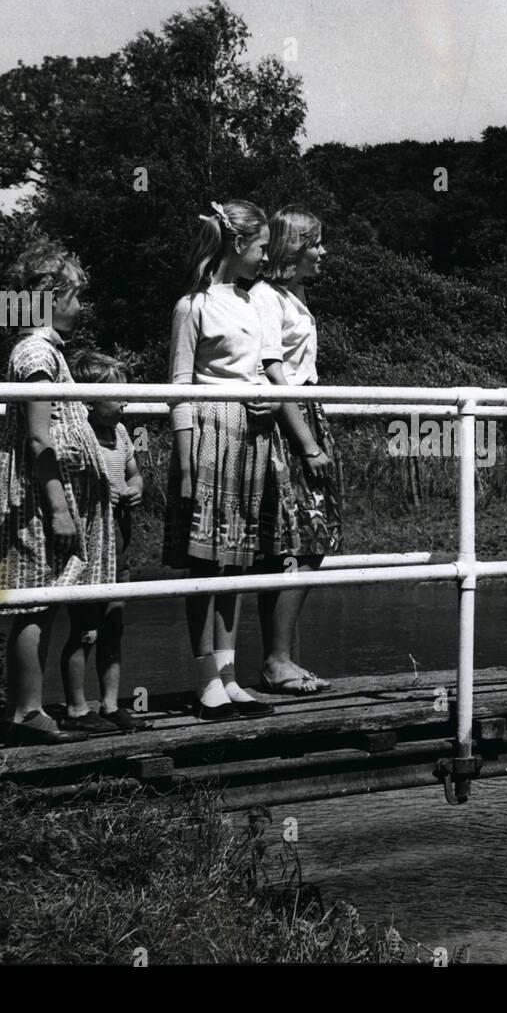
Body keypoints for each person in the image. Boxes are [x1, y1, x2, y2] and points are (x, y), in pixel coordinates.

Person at [162, 200, 300, 720]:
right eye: (262, 247)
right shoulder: (193, 306)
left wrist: (267, 397)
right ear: (237, 244)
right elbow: (178, 387)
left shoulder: (254, 304)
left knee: (236, 559)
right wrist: (187, 462)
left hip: (251, 436)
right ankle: (206, 682)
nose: (266, 257)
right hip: (209, 434)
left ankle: (229, 674)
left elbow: (264, 369)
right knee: (206, 560)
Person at [0, 242, 117, 745]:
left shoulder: (48, 352)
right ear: (48, 296)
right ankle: (26, 711)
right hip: (40, 495)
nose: (79, 309)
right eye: (74, 298)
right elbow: (39, 435)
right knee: (35, 600)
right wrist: (59, 507)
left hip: (54, 489)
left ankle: (31, 708)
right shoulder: (37, 353)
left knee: (46, 599)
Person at [250, 206, 342, 694]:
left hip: (308, 411)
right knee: (304, 541)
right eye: (316, 245)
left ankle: (278, 658)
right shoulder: (267, 297)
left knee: (302, 543)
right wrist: (306, 442)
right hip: (292, 421)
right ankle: (276, 660)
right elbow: (273, 370)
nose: (323, 253)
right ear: (295, 249)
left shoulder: (289, 295)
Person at [63, 350, 152, 732]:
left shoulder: (121, 432)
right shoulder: (79, 435)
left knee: (114, 625)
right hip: (90, 541)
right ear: (88, 399)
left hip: (120, 539)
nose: (124, 401)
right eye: (116, 394)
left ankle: (111, 704)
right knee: (86, 628)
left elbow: (135, 473)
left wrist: (135, 487)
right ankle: (76, 707)